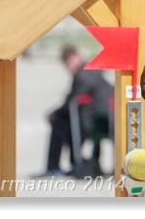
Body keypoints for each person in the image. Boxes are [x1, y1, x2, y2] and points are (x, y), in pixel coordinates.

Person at [39, 46, 114, 178]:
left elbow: (72, 101)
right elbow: (71, 100)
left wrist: (54, 114)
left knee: (59, 122)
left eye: (70, 62)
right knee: (62, 121)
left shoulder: (85, 74)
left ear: (77, 57)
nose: (69, 66)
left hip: (98, 121)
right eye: (66, 64)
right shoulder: (89, 71)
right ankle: (70, 165)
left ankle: (55, 167)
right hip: (100, 119)